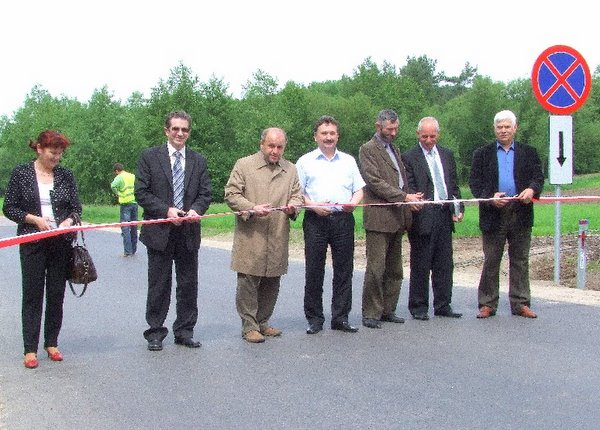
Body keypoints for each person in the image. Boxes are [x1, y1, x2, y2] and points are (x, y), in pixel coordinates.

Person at [3, 130, 82, 369]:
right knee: (33, 294)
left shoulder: (66, 176)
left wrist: (69, 220)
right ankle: (30, 349)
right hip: (32, 241)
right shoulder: (22, 173)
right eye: (52, 153)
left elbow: (76, 208)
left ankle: (52, 342)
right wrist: (33, 219)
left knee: (56, 293)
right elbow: (9, 208)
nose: (56, 158)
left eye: (60, 154)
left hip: (60, 243)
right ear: (39, 149)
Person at [135, 111, 212, 351]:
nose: (180, 133)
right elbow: (141, 192)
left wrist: (195, 210)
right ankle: (155, 332)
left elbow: (205, 193)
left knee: (188, 284)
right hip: (159, 231)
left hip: (188, 232)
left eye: (185, 130)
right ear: (166, 131)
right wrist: (166, 211)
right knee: (159, 284)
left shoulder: (198, 160)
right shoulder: (149, 157)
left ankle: (185, 331)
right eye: (176, 129)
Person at [224, 127, 304, 343]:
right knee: (248, 280)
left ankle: (263, 322)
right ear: (262, 144)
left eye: (279, 147)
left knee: (272, 278)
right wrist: (250, 208)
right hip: (251, 233)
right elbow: (231, 194)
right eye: (271, 146)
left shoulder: (291, 169)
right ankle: (249, 326)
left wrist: (293, 207)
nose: (275, 151)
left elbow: (298, 196)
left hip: (278, 232)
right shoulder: (244, 165)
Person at [469, 110, 544, 319]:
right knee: (491, 259)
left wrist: (532, 190)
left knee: (520, 259)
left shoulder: (529, 152)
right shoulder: (481, 154)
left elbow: (538, 177)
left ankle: (520, 303)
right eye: (500, 127)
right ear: (494, 129)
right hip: (493, 212)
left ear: (515, 128)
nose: (503, 130)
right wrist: (490, 197)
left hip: (520, 211)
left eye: (507, 127)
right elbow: (474, 183)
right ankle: (487, 303)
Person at [296, 115, 365, 334]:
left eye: (332, 133)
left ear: (338, 136)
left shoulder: (348, 160)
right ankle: (315, 319)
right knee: (314, 270)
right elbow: (297, 193)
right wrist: (313, 206)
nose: (328, 137)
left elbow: (359, 189)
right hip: (316, 220)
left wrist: (353, 203)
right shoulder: (305, 161)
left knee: (344, 270)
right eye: (324, 133)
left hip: (343, 219)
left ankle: (341, 317)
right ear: (315, 136)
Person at [358, 109, 422, 329]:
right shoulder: (367, 149)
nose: (393, 133)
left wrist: (409, 197)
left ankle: (388, 309)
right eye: (389, 129)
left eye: (396, 128)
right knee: (376, 268)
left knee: (395, 269)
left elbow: (399, 179)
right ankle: (371, 312)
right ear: (378, 127)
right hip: (378, 218)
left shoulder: (394, 148)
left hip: (398, 217)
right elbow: (374, 182)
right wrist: (404, 196)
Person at [402, 116, 464, 321]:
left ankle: (443, 304)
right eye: (425, 136)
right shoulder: (410, 157)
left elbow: (453, 186)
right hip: (422, 215)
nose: (429, 140)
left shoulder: (446, 155)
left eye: (432, 136)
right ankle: (419, 306)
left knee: (444, 263)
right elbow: (409, 186)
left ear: (438, 134)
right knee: (421, 263)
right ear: (418, 135)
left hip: (444, 214)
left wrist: (458, 207)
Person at [111, 163, 138, 257]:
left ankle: (127, 251)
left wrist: (118, 193)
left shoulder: (119, 177)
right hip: (134, 203)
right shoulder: (132, 176)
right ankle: (134, 249)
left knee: (125, 227)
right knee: (134, 227)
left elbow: (113, 186)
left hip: (125, 203)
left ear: (117, 171)